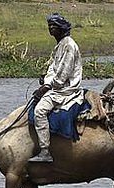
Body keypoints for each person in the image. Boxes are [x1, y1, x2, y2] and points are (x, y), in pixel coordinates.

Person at [29, 13, 83, 163]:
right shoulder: (59, 46)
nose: (51, 28)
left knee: (39, 111)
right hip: (56, 87)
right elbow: (53, 69)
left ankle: (45, 151)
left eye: (54, 26)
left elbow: (63, 74)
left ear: (62, 28)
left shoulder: (69, 46)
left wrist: (47, 87)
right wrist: (46, 80)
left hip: (65, 90)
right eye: (49, 26)